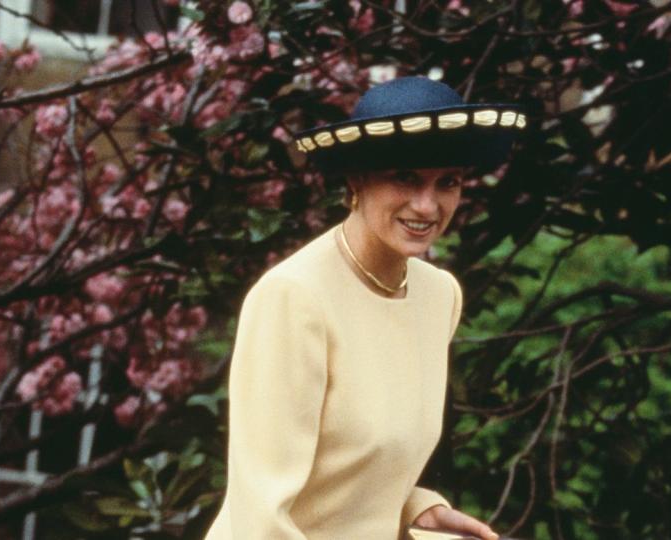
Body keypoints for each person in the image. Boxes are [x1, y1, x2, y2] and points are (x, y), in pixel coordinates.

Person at [204, 76, 526, 539]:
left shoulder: (439, 295)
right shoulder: (293, 298)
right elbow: (261, 514)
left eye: (447, 182)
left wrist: (416, 507)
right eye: (405, 177)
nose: (426, 205)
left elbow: (357, 461)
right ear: (357, 176)